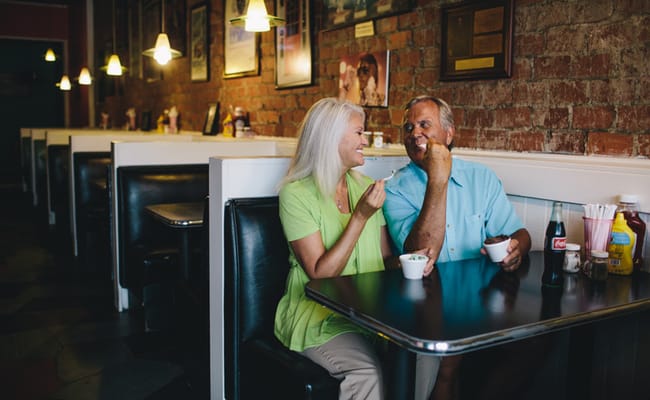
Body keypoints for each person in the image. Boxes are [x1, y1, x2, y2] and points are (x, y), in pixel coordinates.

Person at [274, 97, 434, 400]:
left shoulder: (366, 186)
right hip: (319, 318)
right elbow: (320, 274)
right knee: (366, 372)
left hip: (373, 313)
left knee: (424, 350)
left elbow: (386, 258)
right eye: (359, 133)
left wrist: (410, 262)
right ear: (330, 139)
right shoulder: (295, 195)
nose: (365, 140)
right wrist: (360, 216)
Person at [383, 95, 532, 400]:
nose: (414, 133)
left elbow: (519, 232)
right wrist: (438, 177)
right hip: (425, 302)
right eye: (409, 127)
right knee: (448, 357)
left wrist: (517, 249)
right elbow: (421, 253)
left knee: (538, 339)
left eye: (425, 124)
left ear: (449, 135)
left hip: (482, 297)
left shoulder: (482, 178)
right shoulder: (394, 189)